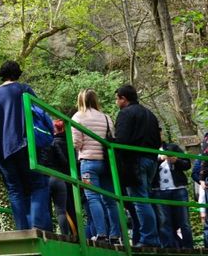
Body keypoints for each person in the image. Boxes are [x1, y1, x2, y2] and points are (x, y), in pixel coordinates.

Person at [0, 61, 52, 231]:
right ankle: (37, 226)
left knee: (15, 190)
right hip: (24, 144)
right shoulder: (23, 90)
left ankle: (22, 230)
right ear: (18, 74)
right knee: (38, 184)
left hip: (3, 151)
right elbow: (39, 113)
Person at [72, 89, 122, 245]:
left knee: (93, 198)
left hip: (88, 163)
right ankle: (116, 235)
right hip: (107, 164)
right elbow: (112, 137)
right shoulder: (106, 117)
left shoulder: (77, 117)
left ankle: (101, 233)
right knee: (110, 200)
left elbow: (76, 143)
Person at [114, 84, 161, 247]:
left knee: (139, 200)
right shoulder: (150, 114)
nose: (116, 102)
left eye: (117, 99)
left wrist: (110, 143)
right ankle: (144, 236)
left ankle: (149, 239)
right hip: (151, 160)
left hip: (135, 161)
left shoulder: (125, 114)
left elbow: (122, 140)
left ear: (123, 98)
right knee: (145, 198)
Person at [152, 143, 193, 248]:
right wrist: (159, 159)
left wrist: (176, 161)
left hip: (178, 189)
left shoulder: (173, 147)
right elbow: (147, 168)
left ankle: (188, 247)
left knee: (184, 221)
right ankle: (168, 247)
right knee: (164, 221)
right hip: (159, 190)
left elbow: (187, 164)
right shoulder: (149, 150)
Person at [48, 119, 76, 236]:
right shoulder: (71, 144)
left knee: (60, 209)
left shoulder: (54, 142)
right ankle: (75, 234)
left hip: (58, 175)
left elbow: (61, 159)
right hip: (70, 177)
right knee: (70, 208)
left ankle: (58, 233)